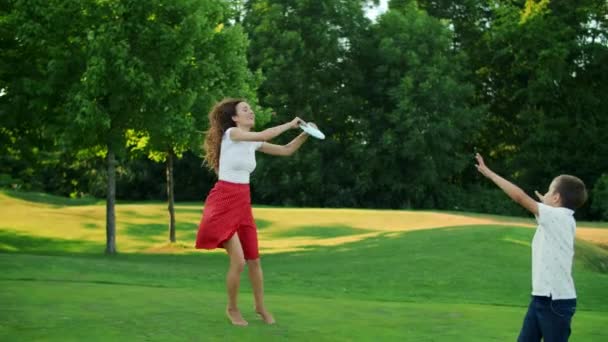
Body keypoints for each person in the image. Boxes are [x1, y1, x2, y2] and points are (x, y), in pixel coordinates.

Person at [196, 98, 315, 326]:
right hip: (223, 202)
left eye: (250, 109)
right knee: (239, 262)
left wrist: (306, 133)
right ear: (234, 118)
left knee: (254, 260)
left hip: (242, 203)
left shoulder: (252, 142)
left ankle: (260, 307)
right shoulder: (231, 134)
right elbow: (266, 135)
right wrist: (291, 124)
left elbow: (286, 150)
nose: (250, 112)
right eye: (245, 110)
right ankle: (232, 309)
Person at [475, 153, 587, 342]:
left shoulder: (558, 218)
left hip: (555, 302)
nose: (545, 194)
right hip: (541, 298)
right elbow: (544, 211)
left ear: (557, 198)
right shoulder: (557, 218)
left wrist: (490, 174)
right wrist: (545, 203)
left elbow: (520, 197)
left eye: (549, 191)